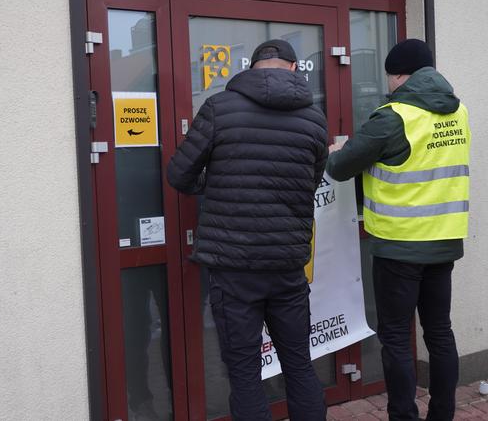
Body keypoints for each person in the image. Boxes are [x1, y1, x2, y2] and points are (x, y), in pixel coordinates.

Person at [167, 39, 328, 421]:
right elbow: (311, 180)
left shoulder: (220, 107)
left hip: (233, 266)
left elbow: (179, 173)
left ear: (252, 67)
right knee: (299, 366)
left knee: (244, 374)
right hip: (287, 265)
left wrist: (216, 183)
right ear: (293, 69)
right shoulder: (313, 118)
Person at [327, 39, 470, 421]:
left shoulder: (393, 116)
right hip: (443, 243)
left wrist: (341, 149)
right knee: (440, 333)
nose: (389, 83)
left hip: (399, 248)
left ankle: (403, 416)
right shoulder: (459, 112)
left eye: (390, 76)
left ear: (400, 75)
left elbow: (341, 168)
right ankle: (442, 414)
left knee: (395, 337)